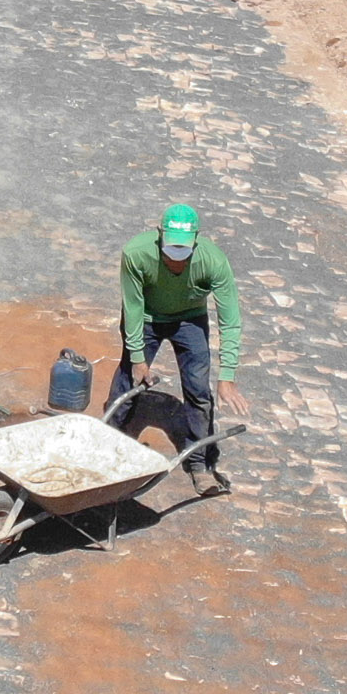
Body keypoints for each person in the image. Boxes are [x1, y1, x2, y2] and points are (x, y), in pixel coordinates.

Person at [112, 204, 247, 496]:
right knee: (128, 382)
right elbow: (133, 307)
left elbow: (230, 320)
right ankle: (107, 442)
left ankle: (199, 464)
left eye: (183, 250)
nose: (175, 258)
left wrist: (227, 375)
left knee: (198, 390)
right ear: (159, 235)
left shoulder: (213, 262)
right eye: (170, 248)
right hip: (146, 317)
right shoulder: (136, 254)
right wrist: (138, 358)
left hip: (189, 320)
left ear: (195, 241)